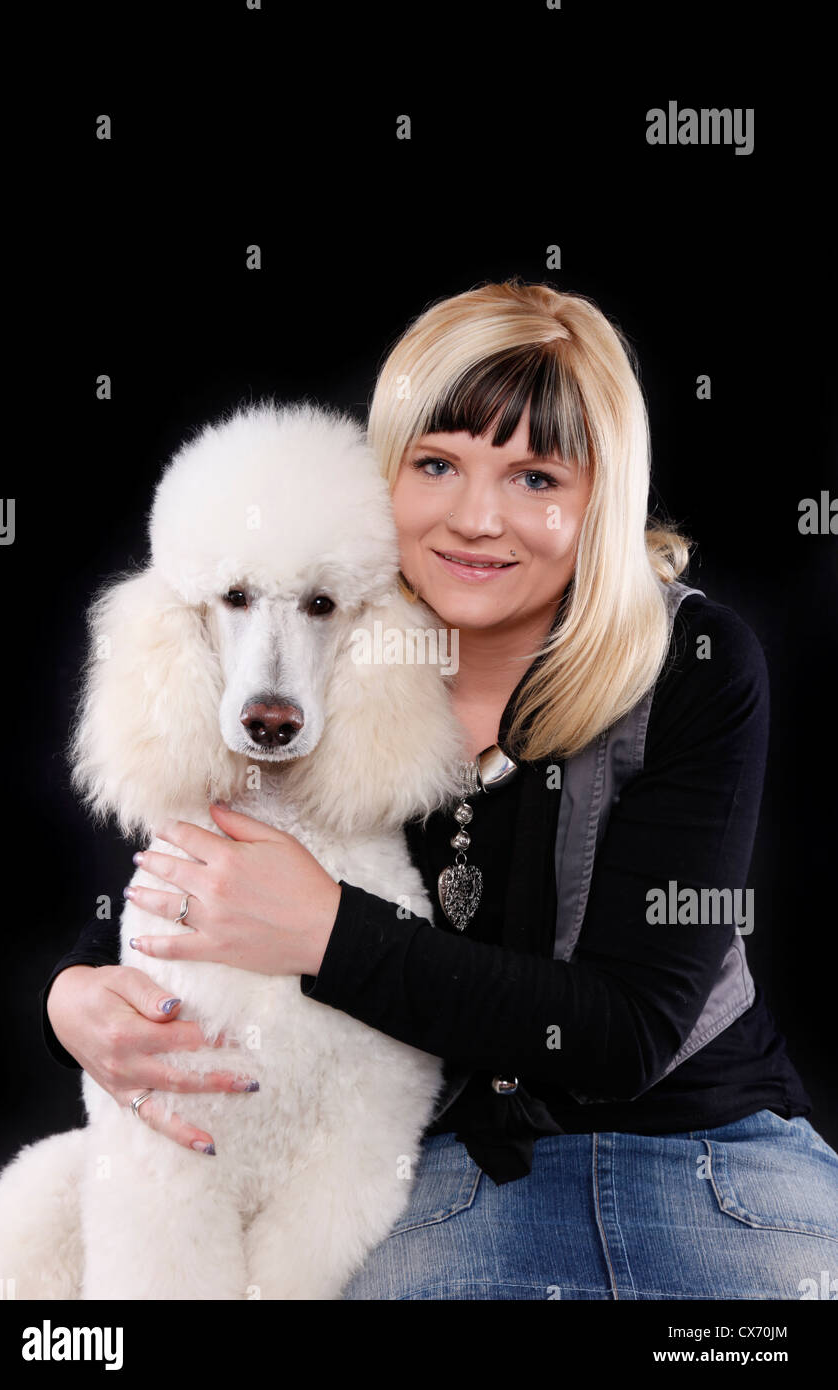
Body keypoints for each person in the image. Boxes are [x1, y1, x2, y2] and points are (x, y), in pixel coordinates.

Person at [44, 279, 838, 1300]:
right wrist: (71, 991)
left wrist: (329, 932)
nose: (476, 518)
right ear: (385, 471)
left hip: (717, 1152)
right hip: (450, 1177)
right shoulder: (326, 644)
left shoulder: (692, 658)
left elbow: (627, 1032)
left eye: (535, 478)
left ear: (600, 495)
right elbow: (188, 850)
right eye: (437, 463)